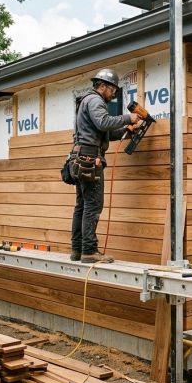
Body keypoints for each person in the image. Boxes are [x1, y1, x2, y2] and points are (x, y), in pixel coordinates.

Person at [70, 69, 139, 263]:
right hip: (90, 159)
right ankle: (89, 251)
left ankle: (78, 250)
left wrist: (127, 130)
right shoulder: (95, 101)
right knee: (93, 205)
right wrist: (128, 118)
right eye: (113, 90)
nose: (114, 94)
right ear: (102, 86)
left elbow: (105, 132)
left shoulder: (88, 101)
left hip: (82, 156)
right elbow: (103, 122)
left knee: (82, 206)